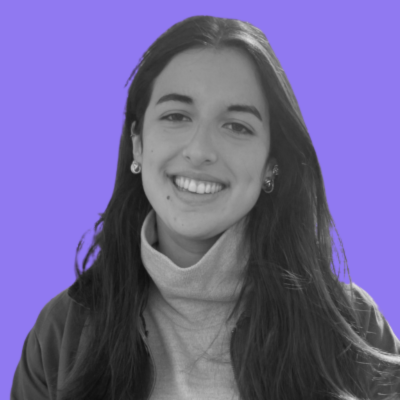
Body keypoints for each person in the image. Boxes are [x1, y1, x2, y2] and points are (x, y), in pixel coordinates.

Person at [11, 15, 400, 400]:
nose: (199, 151)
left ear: (271, 163)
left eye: (237, 126)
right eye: (176, 116)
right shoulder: (60, 334)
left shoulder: (355, 328)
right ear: (138, 144)